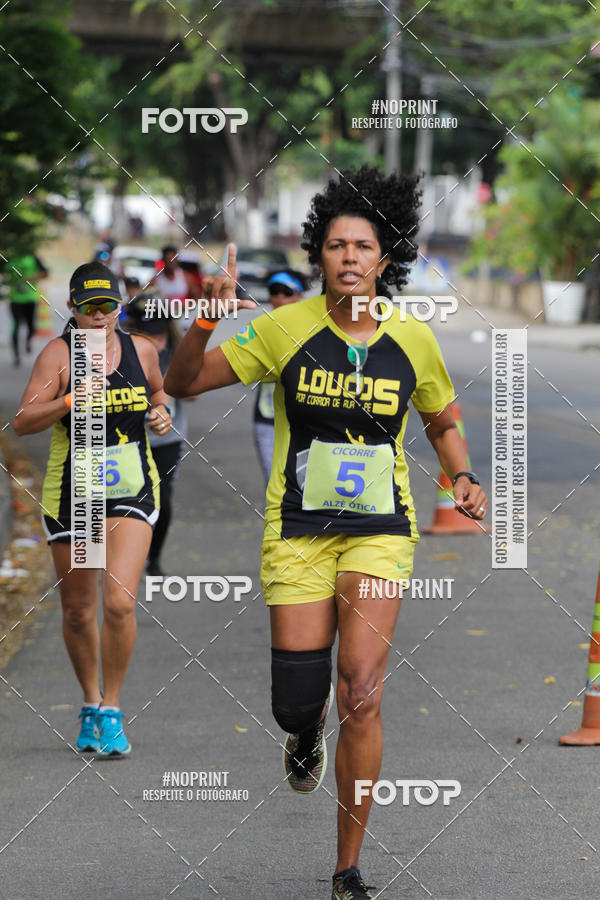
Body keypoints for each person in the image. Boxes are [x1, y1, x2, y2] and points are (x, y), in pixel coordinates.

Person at [164, 165, 488, 899]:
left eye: (363, 246)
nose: (348, 257)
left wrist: (461, 475)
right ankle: (303, 732)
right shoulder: (283, 329)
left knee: (363, 691)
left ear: (385, 257)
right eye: (336, 245)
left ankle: (347, 866)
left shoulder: (412, 339)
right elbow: (184, 384)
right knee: (297, 702)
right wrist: (207, 317)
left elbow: (438, 415)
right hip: (299, 533)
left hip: (380, 532)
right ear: (319, 255)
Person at [12, 262, 172, 758]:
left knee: (119, 601)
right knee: (80, 610)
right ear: (74, 309)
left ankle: (114, 708)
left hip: (132, 488)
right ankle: (90, 701)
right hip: (74, 494)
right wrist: (68, 401)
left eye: (109, 306)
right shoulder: (58, 356)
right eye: (89, 307)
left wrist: (160, 411)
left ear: (120, 307)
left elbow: (158, 391)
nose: (100, 316)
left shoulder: (141, 349)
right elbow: (22, 422)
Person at [122, 294, 188, 577]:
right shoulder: (124, 348)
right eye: (145, 333)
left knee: (162, 498)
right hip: (128, 437)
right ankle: (124, 558)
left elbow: (194, 391)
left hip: (167, 438)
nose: (153, 340)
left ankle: (154, 558)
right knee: (128, 498)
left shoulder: (179, 349)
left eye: (158, 333)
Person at [253, 270, 307, 483]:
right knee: (274, 483)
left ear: (298, 295)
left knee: (304, 487)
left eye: (285, 291)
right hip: (267, 419)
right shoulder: (262, 328)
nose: (278, 298)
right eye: (273, 291)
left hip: (305, 420)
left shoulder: (312, 328)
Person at [5, 251, 49, 366]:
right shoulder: (10, 258)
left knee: (31, 327)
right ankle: (16, 356)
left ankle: (28, 341)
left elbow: (46, 273)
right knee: (16, 326)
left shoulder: (33, 258)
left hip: (30, 299)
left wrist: (30, 278)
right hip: (15, 299)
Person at [152, 245, 200, 326]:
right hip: (164, 321)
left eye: (173, 259)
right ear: (163, 260)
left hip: (183, 321)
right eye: (168, 259)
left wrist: (187, 306)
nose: (171, 262)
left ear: (177, 260)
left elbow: (197, 297)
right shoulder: (156, 280)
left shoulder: (186, 277)